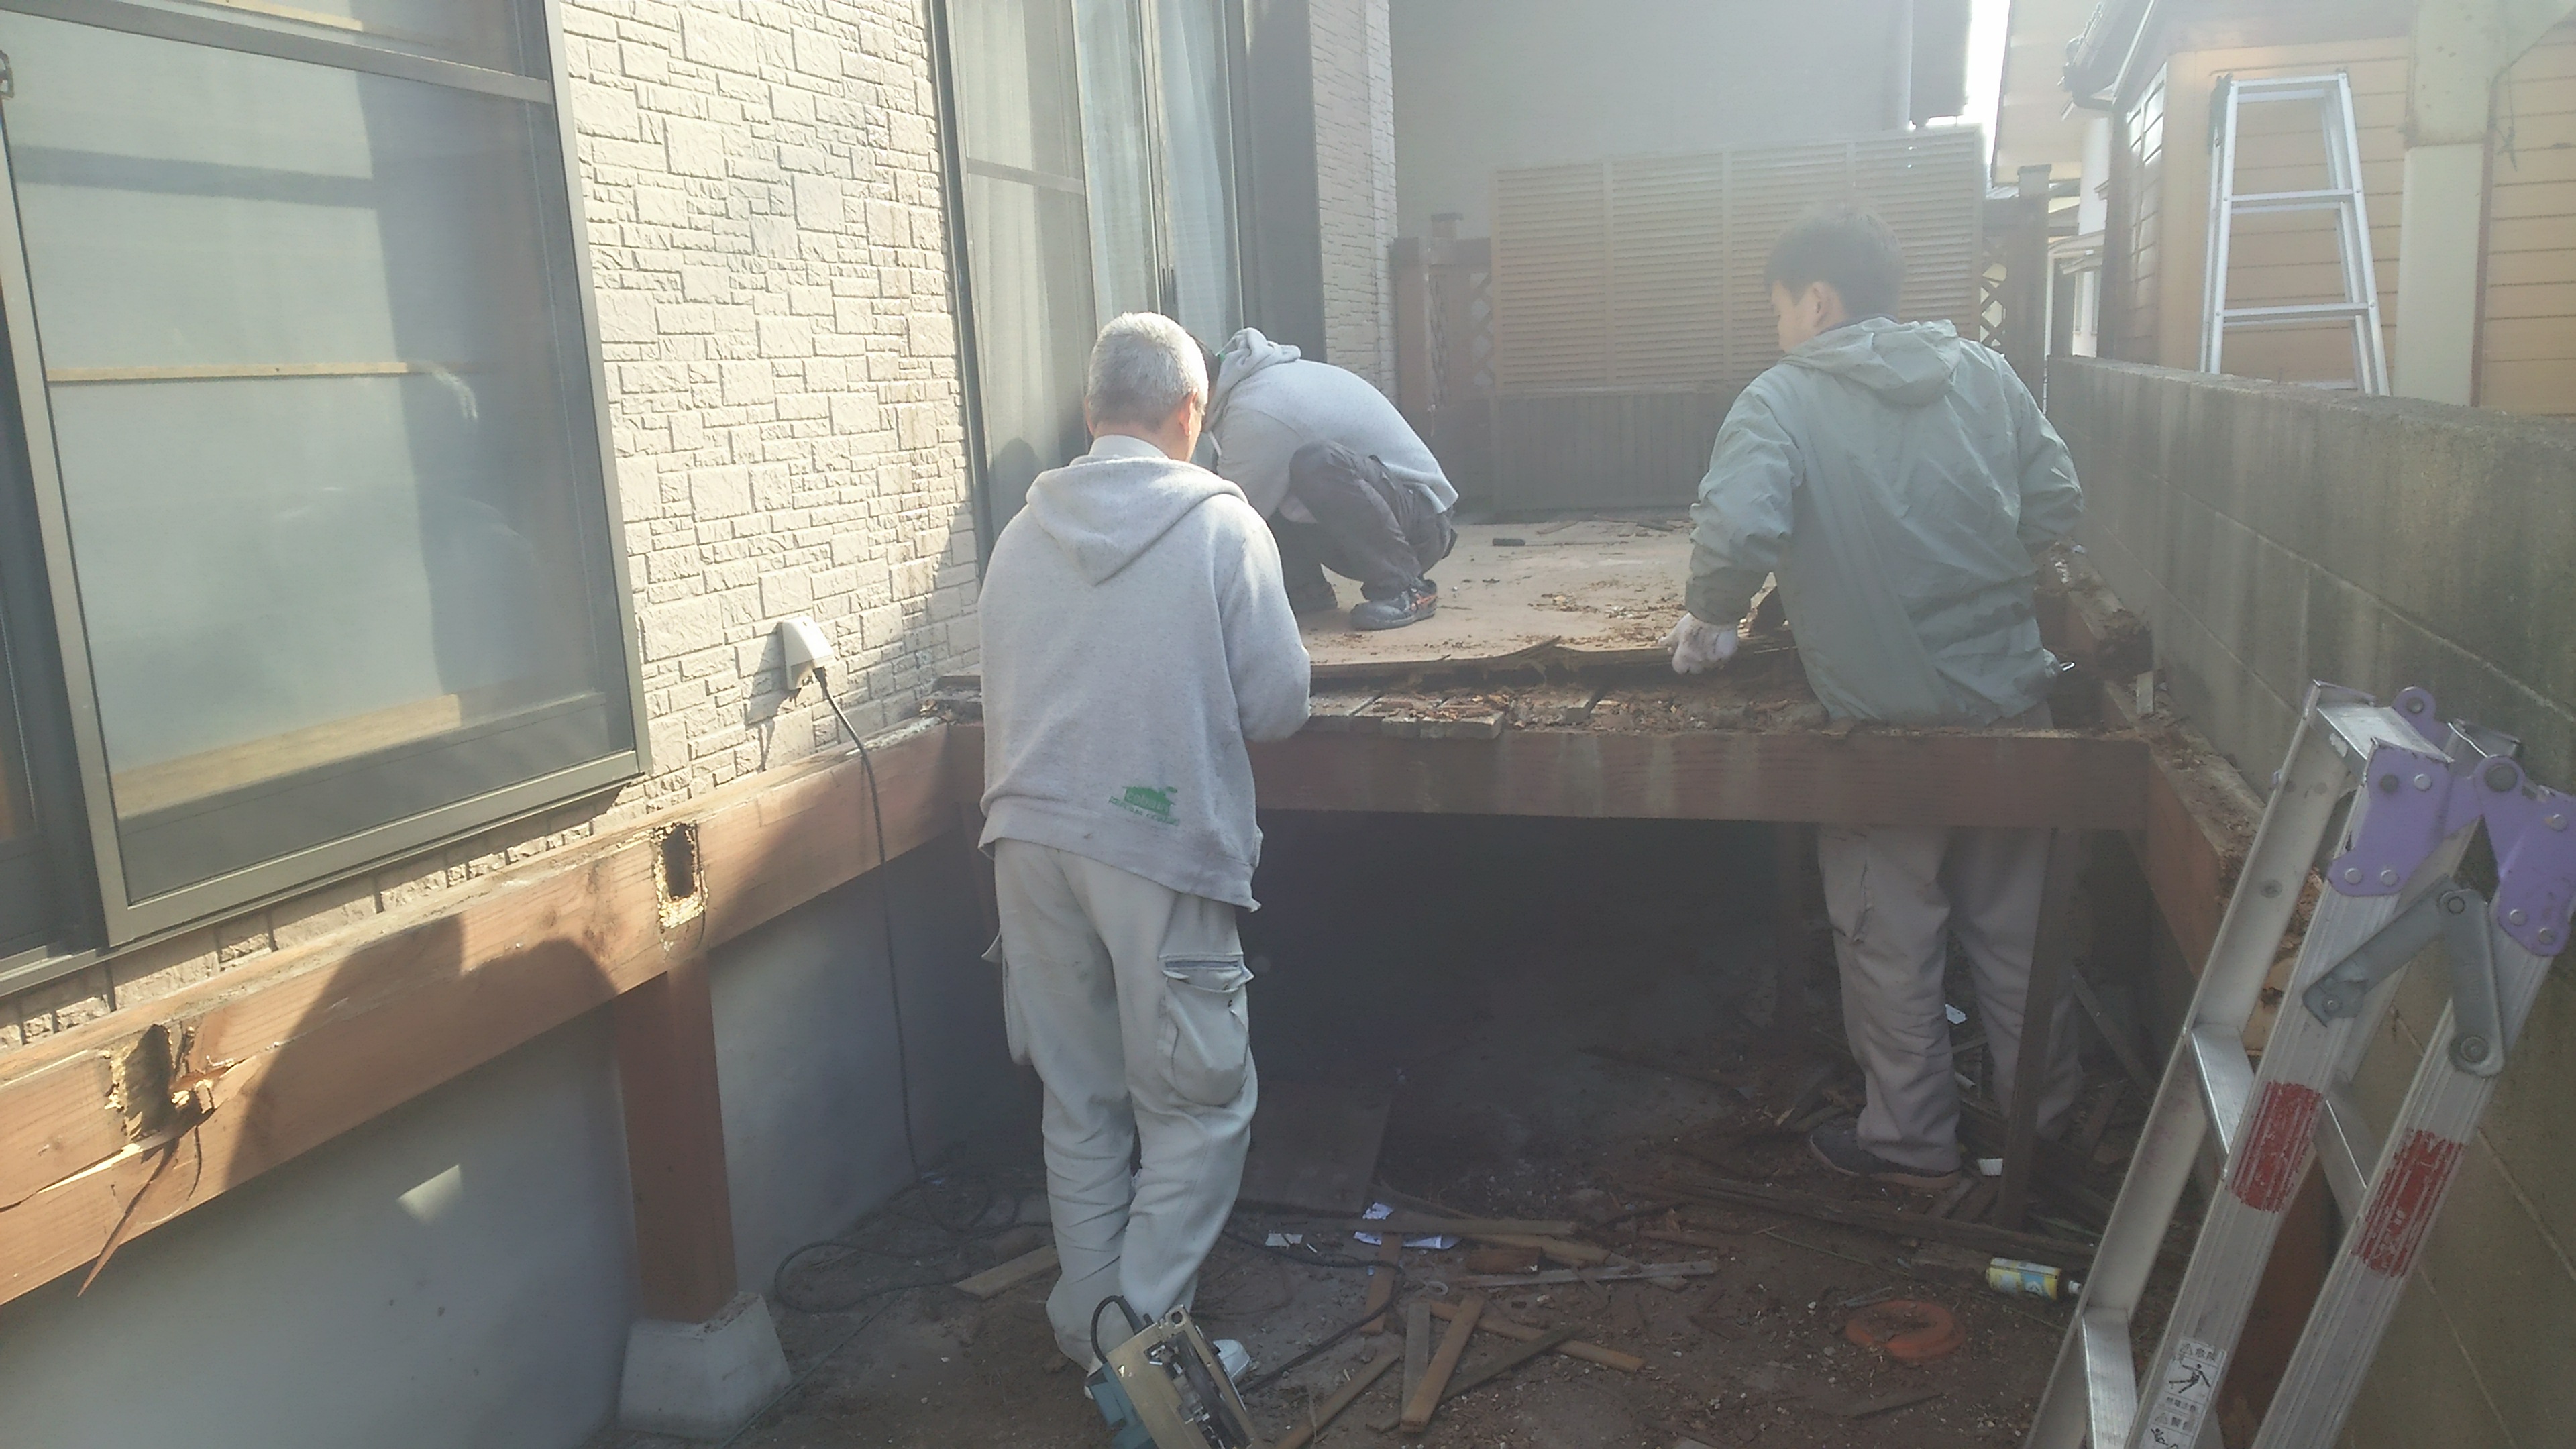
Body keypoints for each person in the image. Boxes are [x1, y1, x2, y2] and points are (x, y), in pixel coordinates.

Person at [1666, 203, 2086, 1191]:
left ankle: (1910, 1146)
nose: (1780, 329)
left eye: (1779, 307)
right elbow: (2056, 502)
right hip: (2011, 709)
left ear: (1816, 300)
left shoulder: (1781, 398)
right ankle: (2046, 1131)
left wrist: (1713, 614)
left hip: (1883, 732)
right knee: (2020, 937)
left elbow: (1739, 528)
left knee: (1890, 940)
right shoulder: (1984, 373)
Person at [976, 312, 1312, 1372]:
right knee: (1198, 1110)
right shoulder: (1221, 528)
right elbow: (1279, 706)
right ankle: (1141, 1361)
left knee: (1081, 1104)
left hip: (1026, 838)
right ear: (1191, 412)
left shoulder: (1020, 535)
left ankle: (1096, 1337)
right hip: (1156, 843)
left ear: (1090, 411)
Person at [1203, 327, 1458, 631]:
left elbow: (1227, 523)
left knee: (1316, 463)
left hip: (1421, 525)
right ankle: (1304, 589)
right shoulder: (1248, 389)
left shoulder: (1256, 409)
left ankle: (1406, 587)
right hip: (1383, 514)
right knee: (1255, 473)